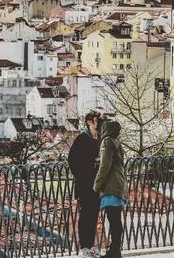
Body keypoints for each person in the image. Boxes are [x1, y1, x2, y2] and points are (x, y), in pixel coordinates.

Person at [68, 110, 102, 257]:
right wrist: (91, 164)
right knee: (86, 215)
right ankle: (84, 247)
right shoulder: (82, 139)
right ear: (89, 121)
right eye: (97, 120)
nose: (99, 124)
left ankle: (91, 246)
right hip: (85, 184)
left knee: (94, 215)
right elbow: (73, 161)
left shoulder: (100, 139)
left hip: (97, 184)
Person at [93, 119, 127, 258]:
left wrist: (97, 185)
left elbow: (105, 166)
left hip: (110, 185)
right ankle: (115, 250)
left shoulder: (106, 141)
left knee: (112, 219)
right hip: (119, 183)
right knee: (116, 219)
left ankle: (114, 252)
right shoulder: (116, 141)